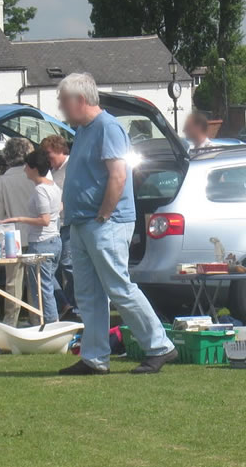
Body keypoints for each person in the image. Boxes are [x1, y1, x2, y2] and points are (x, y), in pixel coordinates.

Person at [56, 72, 176, 375]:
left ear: (80, 100)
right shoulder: (84, 130)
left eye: (63, 101)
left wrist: (105, 214)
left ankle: (160, 346)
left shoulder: (108, 127)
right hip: (83, 224)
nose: (61, 107)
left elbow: (118, 174)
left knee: (119, 287)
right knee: (88, 294)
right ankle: (94, 358)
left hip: (104, 223)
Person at [0, 149, 62, 325]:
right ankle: (50, 321)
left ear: (34, 168)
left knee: (42, 289)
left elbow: (44, 219)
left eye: (27, 166)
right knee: (46, 285)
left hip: (42, 242)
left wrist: (19, 219)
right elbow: (59, 207)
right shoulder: (53, 186)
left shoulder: (41, 190)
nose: (24, 169)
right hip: (53, 241)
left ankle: (51, 324)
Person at [0, 137, 37, 326]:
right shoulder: (37, 176)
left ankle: (10, 322)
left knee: (13, 284)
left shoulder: (2, 182)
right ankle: (38, 320)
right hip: (37, 235)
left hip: (13, 239)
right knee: (37, 283)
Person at [39, 134, 75, 317]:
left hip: (68, 223)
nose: (47, 159)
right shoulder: (52, 171)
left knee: (68, 266)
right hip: (56, 225)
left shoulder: (73, 167)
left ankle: (71, 305)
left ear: (61, 150)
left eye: (49, 154)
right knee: (57, 268)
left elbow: (72, 196)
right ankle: (67, 305)